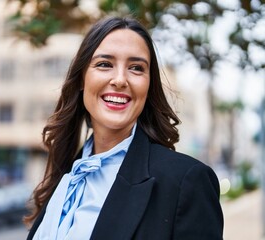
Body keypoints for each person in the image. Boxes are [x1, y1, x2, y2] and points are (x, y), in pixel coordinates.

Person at [25, 16, 224, 240]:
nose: (120, 80)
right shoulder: (67, 175)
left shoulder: (185, 182)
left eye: (136, 68)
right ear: (82, 79)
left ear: (149, 85)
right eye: (104, 64)